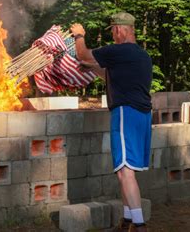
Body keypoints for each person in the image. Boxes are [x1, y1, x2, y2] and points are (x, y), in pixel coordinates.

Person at [70, 12, 152, 232]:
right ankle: (126, 223)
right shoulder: (141, 55)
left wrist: (79, 36)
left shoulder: (119, 50)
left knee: (126, 172)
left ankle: (139, 226)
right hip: (142, 116)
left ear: (119, 29)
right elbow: (109, 75)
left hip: (126, 113)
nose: (113, 35)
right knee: (122, 172)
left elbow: (83, 55)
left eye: (114, 30)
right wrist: (92, 68)